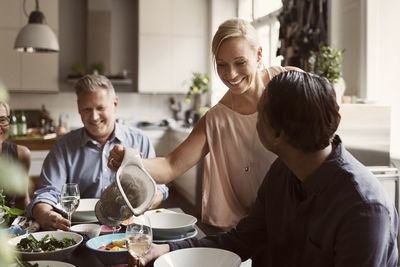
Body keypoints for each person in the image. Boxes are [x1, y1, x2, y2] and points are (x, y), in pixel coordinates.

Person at [138, 71, 399, 267]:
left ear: (277, 134)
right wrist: (169, 249)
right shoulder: (283, 171)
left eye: (259, 115)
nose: (254, 122)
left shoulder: (363, 209)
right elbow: (242, 240)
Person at [108, 18, 301, 230]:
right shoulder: (216, 118)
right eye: (222, 64)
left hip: (302, 210)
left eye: (240, 62)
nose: (231, 74)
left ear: (258, 55)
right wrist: (129, 160)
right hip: (256, 224)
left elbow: (324, 125)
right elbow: (171, 165)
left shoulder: (289, 81)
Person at [26, 75, 169, 231]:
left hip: (130, 228)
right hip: (79, 229)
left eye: (100, 108)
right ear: (79, 109)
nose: (94, 117)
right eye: (87, 109)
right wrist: (43, 213)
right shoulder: (63, 146)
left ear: (115, 105)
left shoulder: (140, 140)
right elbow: (48, 191)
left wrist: (138, 206)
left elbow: (159, 189)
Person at [0, 101, 31, 209]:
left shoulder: (21, 155)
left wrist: (27, 224)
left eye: (2, 120)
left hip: (10, 224)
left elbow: (22, 199)